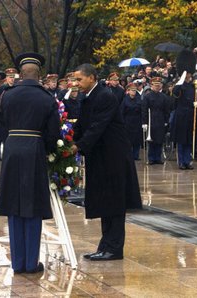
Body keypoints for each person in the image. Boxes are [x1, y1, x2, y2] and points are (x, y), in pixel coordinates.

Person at [0, 52, 60, 274]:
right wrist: (49, 150)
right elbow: (53, 132)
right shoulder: (46, 97)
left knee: (14, 205)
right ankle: (31, 263)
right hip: (34, 149)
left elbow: (1, 121)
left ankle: (18, 263)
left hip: (13, 148)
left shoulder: (7, 95)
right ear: (38, 73)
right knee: (32, 206)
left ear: (20, 74)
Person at [71, 63, 142, 261]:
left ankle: (114, 248)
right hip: (101, 156)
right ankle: (105, 245)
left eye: (79, 79)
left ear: (91, 77)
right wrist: (69, 139)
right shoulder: (90, 96)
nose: (76, 83)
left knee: (115, 203)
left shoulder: (105, 96)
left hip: (113, 157)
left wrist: (78, 146)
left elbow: (97, 126)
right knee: (105, 202)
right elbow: (83, 124)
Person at [141, 77, 169, 164]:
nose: (157, 87)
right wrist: (144, 122)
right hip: (151, 119)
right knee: (152, 140)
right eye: (155, 85)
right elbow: (144, 110)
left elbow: (166, 110)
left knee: (159, 140)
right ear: (151, 85)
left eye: (158, 85)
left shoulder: (164, 97)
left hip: (160, 119)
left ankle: (158, 158)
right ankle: (151, 158)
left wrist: (166, 120)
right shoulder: (147, 96)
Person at [120, 82, 143, 160]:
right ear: (128, 91)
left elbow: (142, 110)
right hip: (128, 121)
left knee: (137, 140)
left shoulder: (139, 98)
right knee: (128, 140)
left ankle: (136, 155)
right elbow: (122, 112)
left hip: (137, 121)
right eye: (132, 90)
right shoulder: (125, 100)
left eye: (135, 90)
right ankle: (129, 155)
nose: (133, 92)